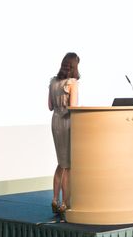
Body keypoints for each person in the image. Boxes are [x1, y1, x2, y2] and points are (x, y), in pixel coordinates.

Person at [48, 52, 80, 214]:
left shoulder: (53, 82)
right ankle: (65, 203)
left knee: (61, 163)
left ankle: (55, 199)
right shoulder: (72, 83)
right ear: (74, 66)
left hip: (55, 122)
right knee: (68, 165)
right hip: (67, 122)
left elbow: (50, 106)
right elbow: (73, 107)